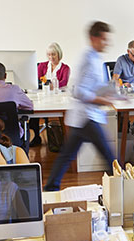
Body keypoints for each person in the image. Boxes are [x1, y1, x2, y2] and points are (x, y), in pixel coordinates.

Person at [44, 21, 116, 191]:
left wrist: (113, 94)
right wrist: (100, 100)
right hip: (86, 117)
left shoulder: (96, 58)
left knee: (67, 155)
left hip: (84, 117)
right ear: (94, 38)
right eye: (104, 39)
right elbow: (77, 91)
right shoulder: (87, 59)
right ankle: (120, 188)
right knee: (109, 156)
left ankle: (50, 188)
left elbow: (96, 86)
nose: (107, 43)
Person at [31, 43, 71, 147]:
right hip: (43, 95)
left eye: (53, 54)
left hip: (58, 97)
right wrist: (49, 84)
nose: (51, 57)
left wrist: (52, 84)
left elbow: (64, 82)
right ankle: (35, 137)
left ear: (59, 54)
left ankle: (61, 140)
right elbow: (37, 80)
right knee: (33, 112)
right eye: (49, 55)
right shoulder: (42, 66)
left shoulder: (65, 68)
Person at [112, 40, 134, 140]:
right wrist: (123, 83)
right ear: (128, 52)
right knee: (123, 108)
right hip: (125, 89)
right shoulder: (121, 60)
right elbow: (115, 79)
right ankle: (123, 131)